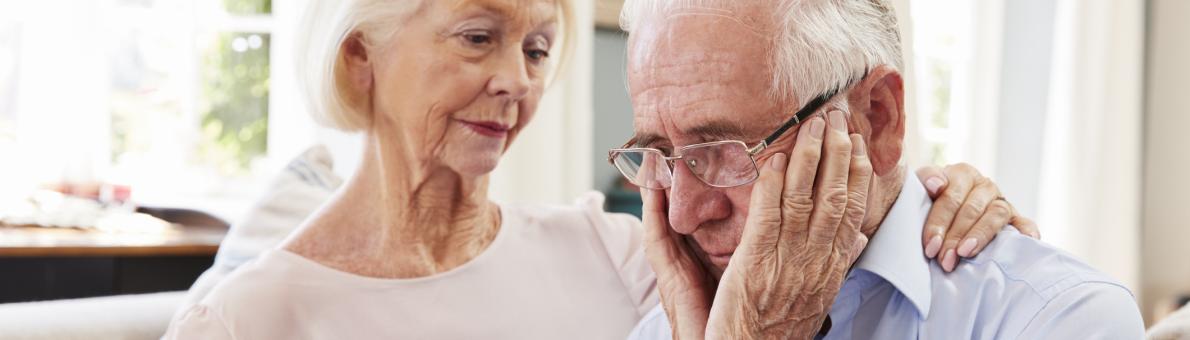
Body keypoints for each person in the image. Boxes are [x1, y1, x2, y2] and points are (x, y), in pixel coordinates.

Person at [164, 0, 1031, 338]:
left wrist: (919, 187)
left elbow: (819, 259)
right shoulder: (249, 318)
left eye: (539, 48)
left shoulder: (620, 251)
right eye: (478, 38)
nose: (518, 80)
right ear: (361, 58)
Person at [614, 1, 1147, 339]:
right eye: (660, 155)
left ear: (877, 119)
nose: (683, 214)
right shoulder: (667, 329)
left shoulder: (1058, 318)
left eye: (725, 150)